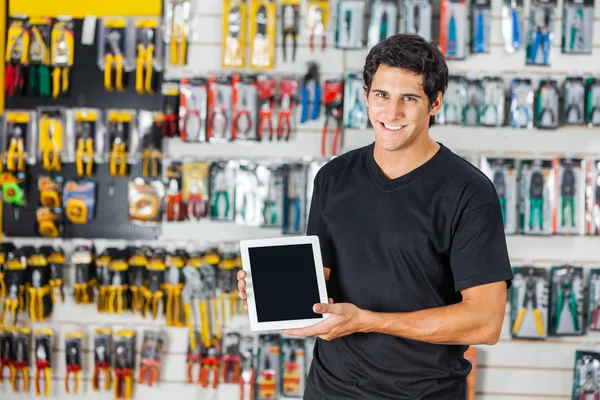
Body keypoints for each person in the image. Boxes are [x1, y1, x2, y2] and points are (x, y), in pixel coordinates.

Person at [237, 34, 513, 399]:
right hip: (330, 389)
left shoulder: (468, 192)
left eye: (409, 98)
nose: (392, 112)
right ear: (366, 96)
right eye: (382, 95)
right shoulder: (333, 178)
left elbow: (485, 322)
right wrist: (270, 292)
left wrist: (368, 321)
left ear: (435, 103)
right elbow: (320, 286)